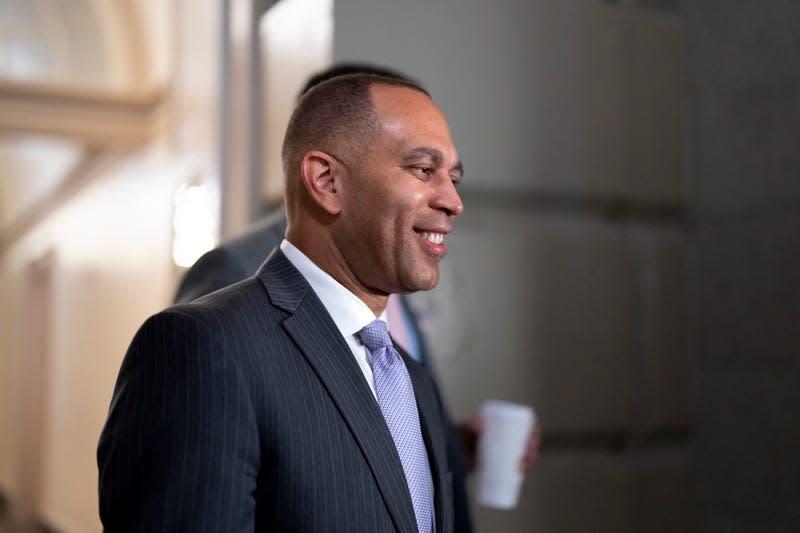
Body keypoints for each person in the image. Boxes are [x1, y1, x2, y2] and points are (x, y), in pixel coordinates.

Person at [98, 73, 464, 531]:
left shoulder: (410, 377)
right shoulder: (201, 349)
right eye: (423, 170)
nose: (453, 200)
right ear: (327, 181)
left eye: (453, 176)